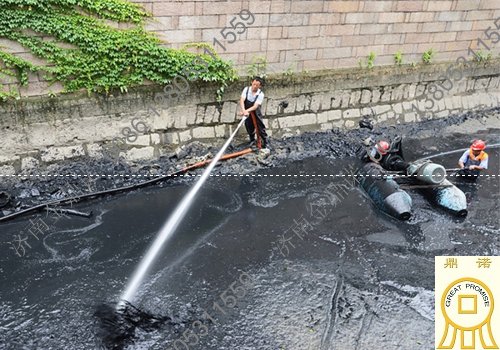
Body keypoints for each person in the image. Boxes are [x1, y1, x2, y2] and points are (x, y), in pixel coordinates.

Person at [239, 77, 268, 149]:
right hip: (246, 111)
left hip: (255, 111)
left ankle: (265, 142)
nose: (254, 86)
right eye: (254, 84)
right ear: (252, 82)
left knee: (260, 126)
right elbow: (242, 100)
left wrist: (246, 111)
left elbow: (255, 106)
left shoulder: (260, 94)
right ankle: (252, 140)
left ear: (260, 86)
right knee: (248, 125)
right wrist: (243, 110)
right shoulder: (246, 89)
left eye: (257, 85)